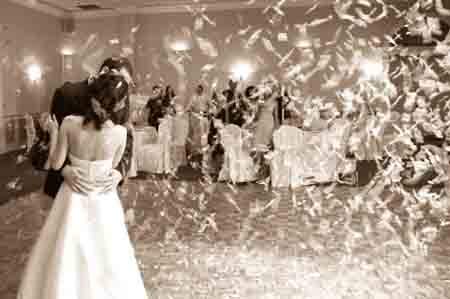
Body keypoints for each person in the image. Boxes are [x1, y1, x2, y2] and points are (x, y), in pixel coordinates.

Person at [17, 73, 148, 299]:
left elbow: (57, 163)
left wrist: (54, 131)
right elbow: (114, 163)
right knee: (107, 252)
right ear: (119, 104)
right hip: (103, 199)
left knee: (66, 248)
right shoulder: (120, 133)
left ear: (92, 97)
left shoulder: (68, 123)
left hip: (72, 197)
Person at [42, 57, 134, 200]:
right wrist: (64, 169)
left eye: (128, 83)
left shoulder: (121, 96)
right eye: (122, 79)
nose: (124, 88)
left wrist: (118, 172)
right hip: (67, 186)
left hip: (102, 186)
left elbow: (127, 138)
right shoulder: (67, 94)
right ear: (105, 72)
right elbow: (50, 136)